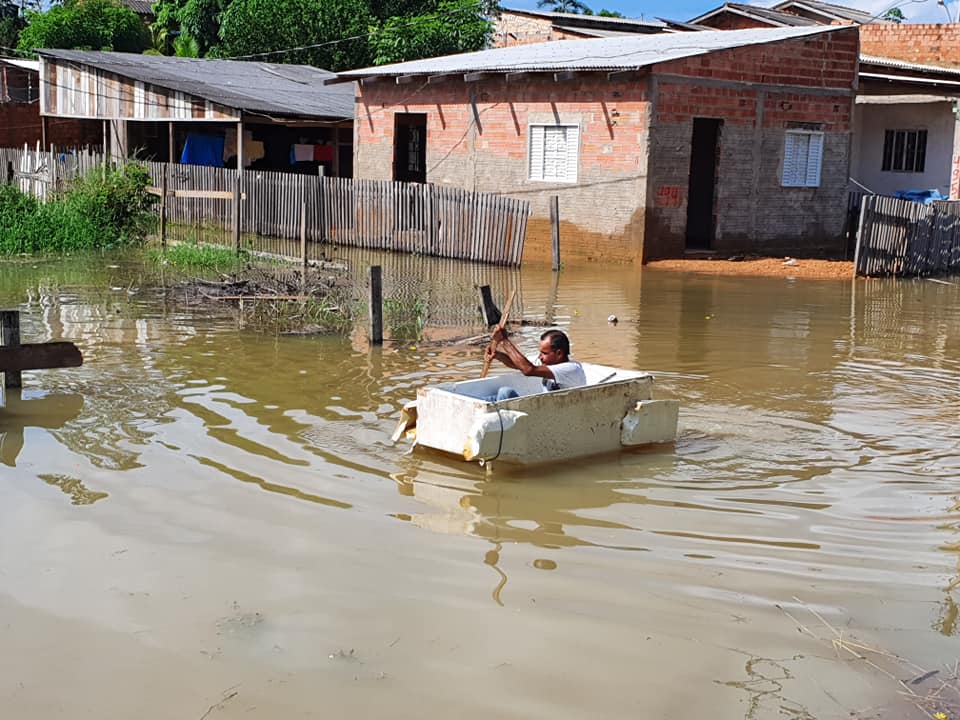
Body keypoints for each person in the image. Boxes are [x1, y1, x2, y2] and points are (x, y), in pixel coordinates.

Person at [484, 328, 586, 401]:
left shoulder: (571, 369)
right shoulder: (546, 362)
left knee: (505, 393)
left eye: (544, 353)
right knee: (490, 398)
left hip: (553, 415)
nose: (540, 357)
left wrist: (504, 341)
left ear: (559, 353)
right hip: (545, 410)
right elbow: (518, 364)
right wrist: (498, 355)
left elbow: (528, 370)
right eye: (540, 352)